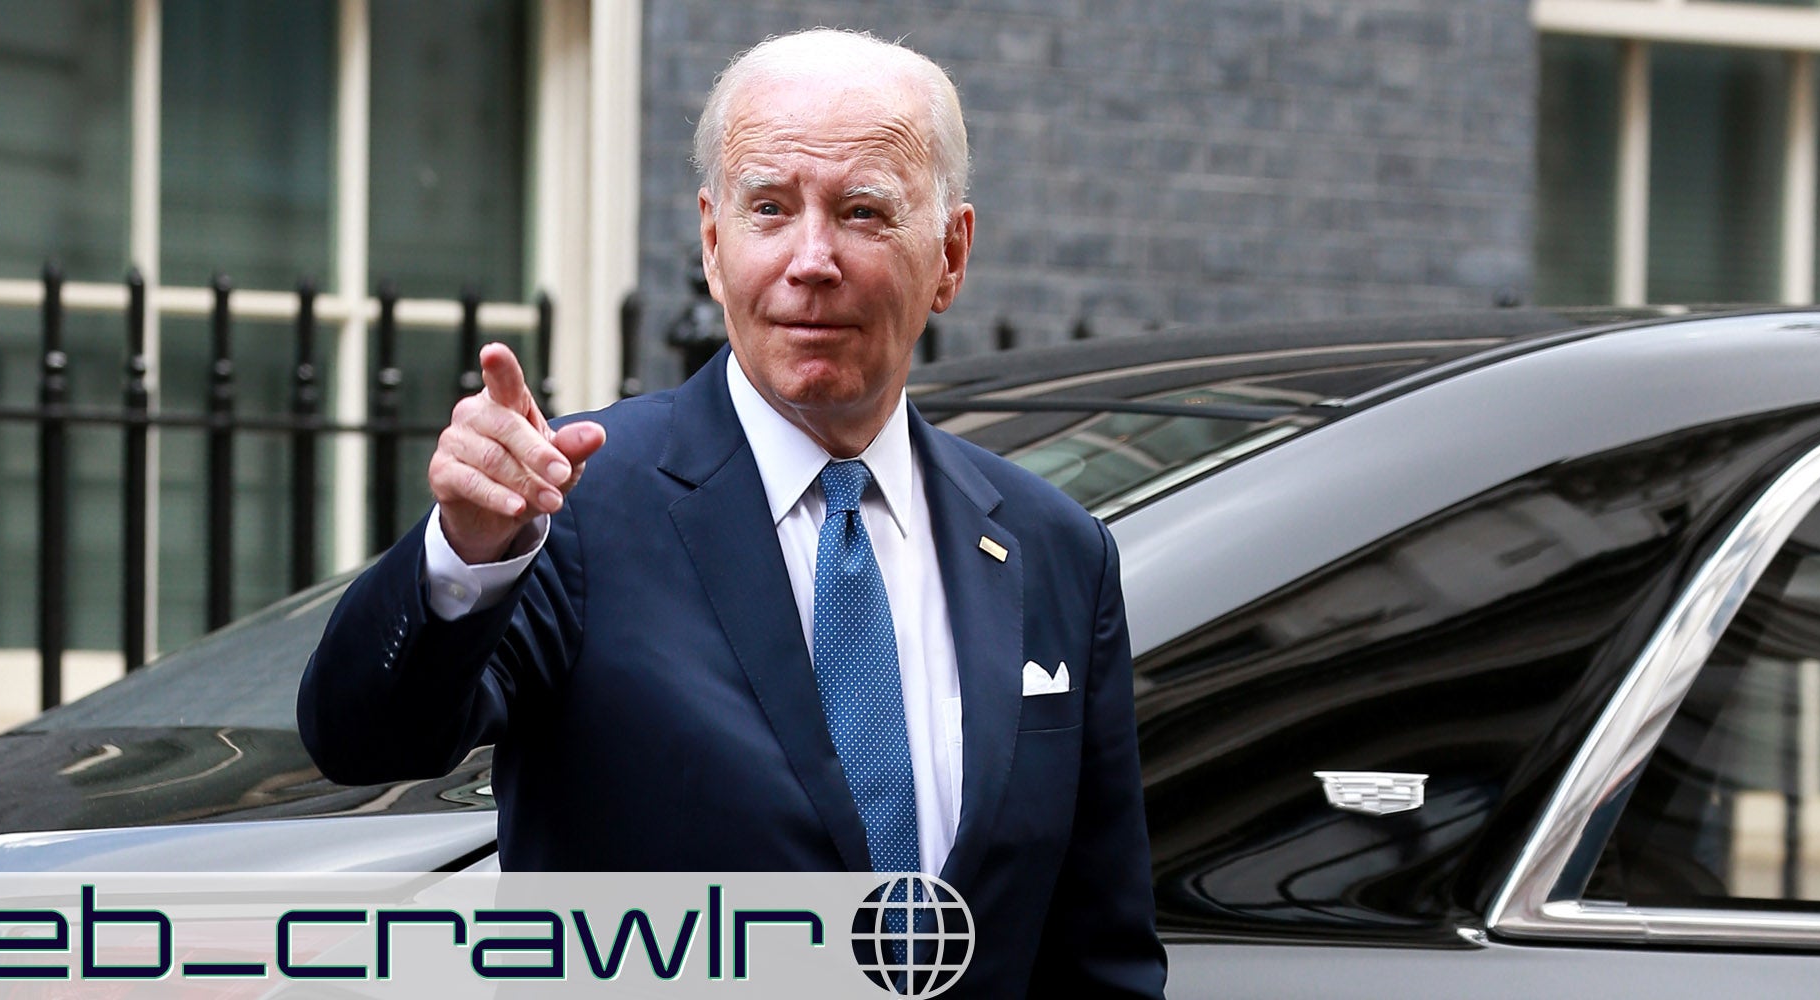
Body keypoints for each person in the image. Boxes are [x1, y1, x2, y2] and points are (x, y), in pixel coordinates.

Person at [299, 28, 1168, 997]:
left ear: (950, 255)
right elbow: (363, 740)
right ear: (713, 245)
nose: (810, 259)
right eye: (769, 208)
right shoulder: (576, 504)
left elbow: (1099, 955)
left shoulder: (1054, 552)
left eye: (861, 211)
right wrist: (464, 552)